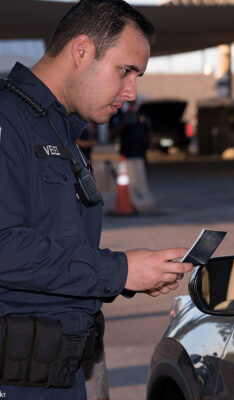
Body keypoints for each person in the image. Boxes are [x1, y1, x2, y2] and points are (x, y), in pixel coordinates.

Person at [0, 1, 193, 399]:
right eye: (125, 71)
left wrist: (133, 272)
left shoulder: (60, 131)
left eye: (137, 76)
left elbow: (54, 246)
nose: (132, 91)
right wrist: (119, 270)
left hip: (60, 371)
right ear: (82, 50)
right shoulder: (9, 122)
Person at [109, 100, 156, 210]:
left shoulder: (141, 115)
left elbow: (149, 130)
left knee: (141, 176)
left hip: (140, 150)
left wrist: (151, 143)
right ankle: (130, 198)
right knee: (128, 177)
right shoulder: (119, 115)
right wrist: (125, 119)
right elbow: (113, 132)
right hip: (127, 151)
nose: (131, 106)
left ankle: (140, 196)